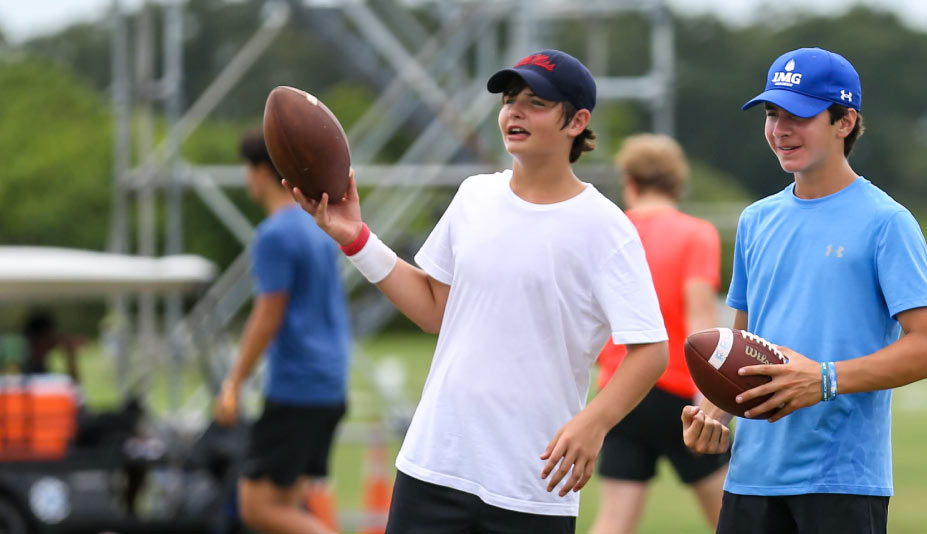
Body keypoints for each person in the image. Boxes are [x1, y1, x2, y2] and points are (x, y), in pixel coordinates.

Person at [287, 49, 668, 533]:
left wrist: (594, 423)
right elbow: (433, 311)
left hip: (533, 483)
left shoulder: (606, 228)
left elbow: (650, 350)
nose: (515, 112)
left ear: (577, 122)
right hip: (433, 464)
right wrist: (356, 239)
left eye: (536, 102)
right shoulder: (474, 196)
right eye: (510, 100)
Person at [679, 47, 927, 534]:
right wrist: (713, 412)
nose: (780, 129)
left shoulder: (887, 222)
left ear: (844, 121)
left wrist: (823, 379)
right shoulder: (755, 220)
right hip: (750, 480)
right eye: (772, 114)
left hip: (843, 483)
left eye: (798, 115)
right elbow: (744, 340)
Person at [215, 128, 350, 534]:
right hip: (328, 384)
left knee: (255, 507)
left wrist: (234, 382)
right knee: (287, 505)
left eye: (246, 168)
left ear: (259, 171)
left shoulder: (274, 235)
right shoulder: (316, 227)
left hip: (297, 388)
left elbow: (268, 315)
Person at [590, 134, 728, 533]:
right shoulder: (695, 233)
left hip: (620, 389)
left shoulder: (613, 230)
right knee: (730, 517)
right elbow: (699, 310)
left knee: (614, 521)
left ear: (630, 182)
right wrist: (711, 393)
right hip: (679, 389)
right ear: (676, 183)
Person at [18, 309, 82, 383]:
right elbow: (73, 384)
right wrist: (70, 355)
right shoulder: (30, 368)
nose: (55, 339)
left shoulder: (35, 364)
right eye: (51, 335)